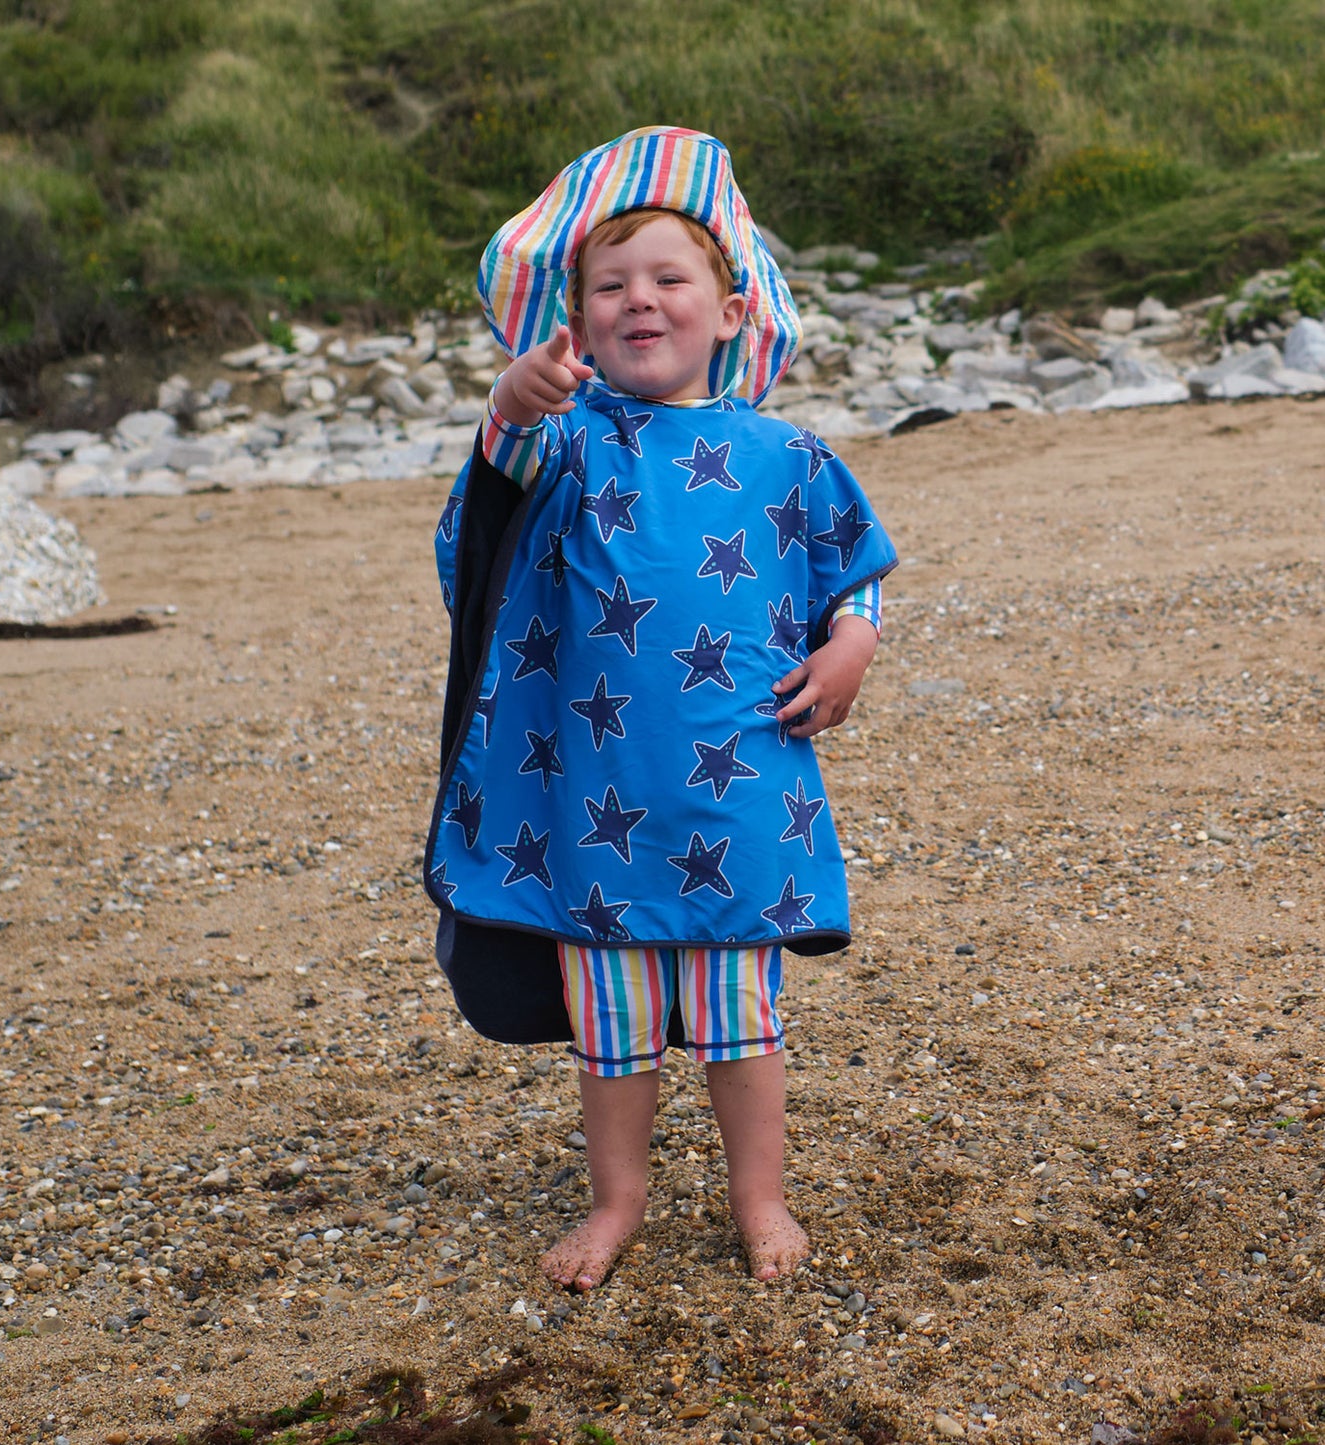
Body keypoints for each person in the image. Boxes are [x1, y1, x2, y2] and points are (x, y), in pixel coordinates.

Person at [426, 126, 897, 1289]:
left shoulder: (784, 453)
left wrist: (853, 643)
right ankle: (615, 1201)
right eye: (609, 286)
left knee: (742, 1020)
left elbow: (855, 568)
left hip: (740, 789)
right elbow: (492, 498)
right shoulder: (568, 447)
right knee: (612, 1030)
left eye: (668, 278)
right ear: (577, 322)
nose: (639, 299)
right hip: (591, 803)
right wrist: (511, 399)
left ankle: (760, 1197)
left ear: (730, 311)